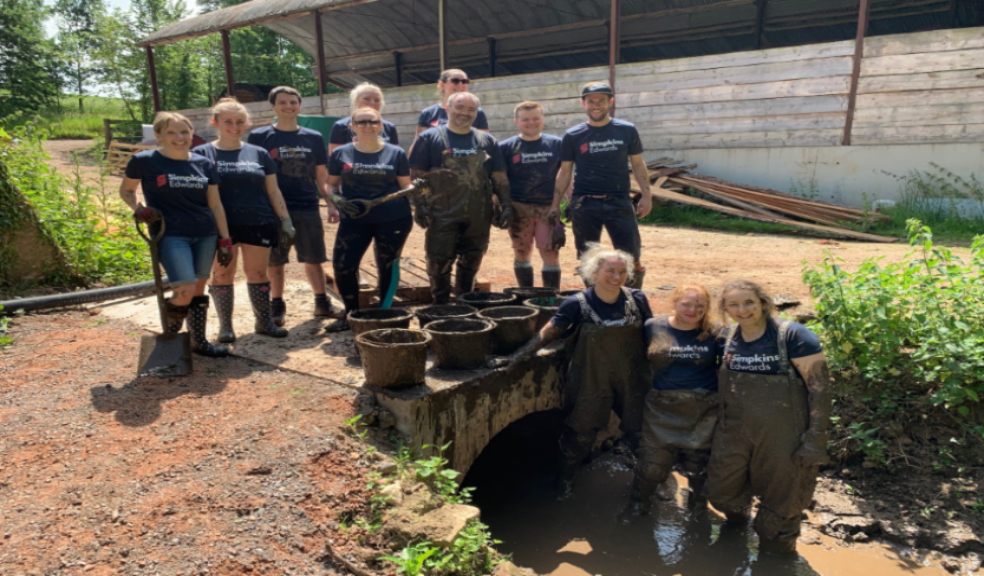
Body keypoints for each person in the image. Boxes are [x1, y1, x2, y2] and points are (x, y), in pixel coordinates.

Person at [501, 245, 653, 498]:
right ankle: (565, 479)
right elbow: (549, 332)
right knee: (580, 433)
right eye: (610, 271)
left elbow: (652, 333)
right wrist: (516, 356)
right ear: (593, 272)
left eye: (622, 272)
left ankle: (647, 482)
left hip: (632, 376)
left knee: (640, 430)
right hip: (591, 377)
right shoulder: (577, 303)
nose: (616, 277)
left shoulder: (636, 299)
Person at [708, 279, 831, 556]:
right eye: (734, 305)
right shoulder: (726, 338)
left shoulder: (794, 337)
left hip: (784, 436)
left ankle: (778, 553)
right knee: (721, 493)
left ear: (763, 302)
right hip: (734, 432)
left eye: (749, 302)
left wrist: (815, 440)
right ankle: (738, 524)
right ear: (725, 309)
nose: (743, 310)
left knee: (781, 508)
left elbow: (820, 390)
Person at [119, 111, 233, 357]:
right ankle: (169, 341)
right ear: (158, 135)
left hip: (205, 233)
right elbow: (127, 190)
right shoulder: (145, 161)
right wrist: (139, 209)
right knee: (184, 289)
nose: (179, 137)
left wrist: (225, 239)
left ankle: (198, 341)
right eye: (171, 132)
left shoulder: (204, 163)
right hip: (170, 234)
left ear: (192, 133)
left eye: (184, 131)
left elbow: (215, 204)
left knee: (198, 289)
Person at [193, 98, 294, 342]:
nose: (234, 126)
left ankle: (264, 321)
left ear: (246, 124)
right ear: (215, 122)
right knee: (222, 274)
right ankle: (226, 327)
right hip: (220, 226)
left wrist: (285, 220)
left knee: (258, 272)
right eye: (228, 121)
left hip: (257, 221)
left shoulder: (258, 154)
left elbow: (273, 190)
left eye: (239, 122)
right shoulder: (201, 154)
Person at [621, 285, 722, 521]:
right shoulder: (653, 326)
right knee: (652, 465)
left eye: (700, 306)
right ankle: (638, 504)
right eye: (686, 303)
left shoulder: (714, 331)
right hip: (661, 407)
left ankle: (698, 506)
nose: (693, 310)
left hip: (703, 408)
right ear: (674, 302)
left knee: (699, 465)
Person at [247, 85, 341, 326]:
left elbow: (321, 174)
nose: (288, 106)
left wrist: (330, 203)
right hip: (273, 209)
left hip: (306, 205)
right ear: (273, 106)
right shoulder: (260, 137)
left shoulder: (313, 137)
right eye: (283, 102)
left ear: (299, 105)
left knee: (314, 258)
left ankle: (322, 303)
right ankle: (276, 305)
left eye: (293, 102)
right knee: (275, 261)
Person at [408, 91, 512, 303]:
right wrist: (420, 205)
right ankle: (441, 306)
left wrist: (506, 205)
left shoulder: (487, 141)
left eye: (471, 110)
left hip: (479, 214)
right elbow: (417, 175)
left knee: (471, 260)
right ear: (448, 108)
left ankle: (465, 303)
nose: (465, 113)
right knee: (439, 262)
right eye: (460, 107)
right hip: (442, 213)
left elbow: (499, 177)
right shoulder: (429, 138)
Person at [550, 81, 652, 289]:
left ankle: (631, 301)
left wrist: (647, 196)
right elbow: (565, 171)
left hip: (619, 201)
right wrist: (555, 204)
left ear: (610, 102)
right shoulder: (573, 135)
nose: (596, 105)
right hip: (585, 204)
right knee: (588, 257)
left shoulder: (626, 130)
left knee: (630, 255)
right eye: (591, 101)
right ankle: (593, 301)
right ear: (583, 104)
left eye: (601, 101)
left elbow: (638, 165)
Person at [323, 107, 413, 332]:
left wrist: (417, 189)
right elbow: (330, 183)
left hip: (393, 219)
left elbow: (405, 186)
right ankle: (351, 313)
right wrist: (336, 199)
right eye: (361, 122)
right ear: (352, 126)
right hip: (355, 218)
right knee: (343, 265)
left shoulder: (396, 153)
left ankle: (384, 314)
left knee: (387, 265)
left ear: (380, 125)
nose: (367, 126)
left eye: (373, 122)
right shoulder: (341, 153)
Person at [497, 101, 565, 289]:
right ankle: (526, 293)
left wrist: (567, 205)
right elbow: (500, 179)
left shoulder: (557, 144)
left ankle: (550, 295)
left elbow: (566, 175)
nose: (531, 123)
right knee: (521, 250)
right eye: (525, 119)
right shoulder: (505, 147)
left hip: (548, 207)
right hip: (519, 207)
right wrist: (502, 206)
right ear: (516, 121)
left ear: (543, 119)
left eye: (536, 118)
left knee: (550, 251)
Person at [414, 69, 490, 138]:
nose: (460, 85)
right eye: (455, 81)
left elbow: (485, 142)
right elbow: (418, 145)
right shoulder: (428, 113)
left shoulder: (476, 112)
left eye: (464, 81)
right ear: (442, 84)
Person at [328, 82, 399, 154]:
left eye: (377, 100)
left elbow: (395, 156)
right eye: (366, 99)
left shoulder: (390, 127)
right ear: (356, 100)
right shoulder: (341, 126)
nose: (372, 103)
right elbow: (335, 157)